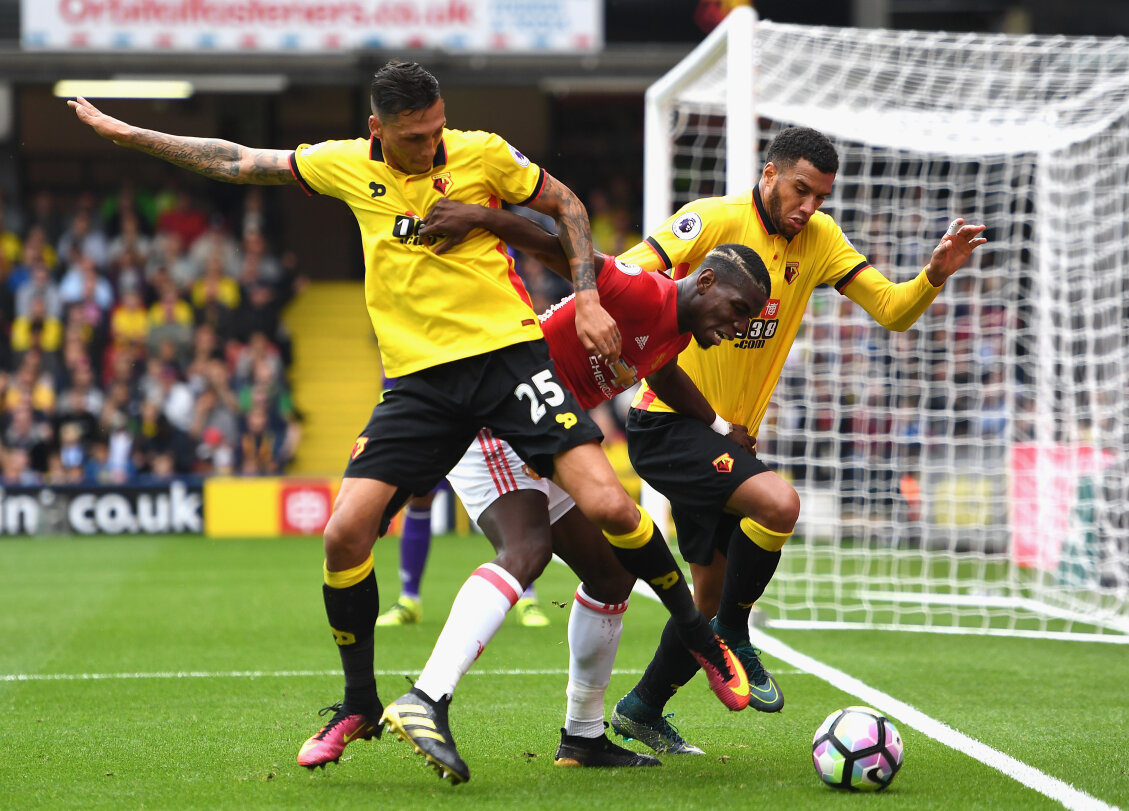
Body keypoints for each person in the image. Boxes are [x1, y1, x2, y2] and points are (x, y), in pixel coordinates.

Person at [69, 60, 745, 783]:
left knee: (612, 503)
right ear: (376, 131)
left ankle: (698, 636)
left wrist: (583, 296)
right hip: (420, 382)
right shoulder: (342, 167)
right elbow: (236, 160)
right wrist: (127, 132)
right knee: (342, 532)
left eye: (435, 129)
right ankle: (360, 702)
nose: (431, 147)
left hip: (507, 357)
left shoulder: (481, 152)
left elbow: (568, 208)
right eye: (414, 138)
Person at [608, 126, 987, 755]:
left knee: (707, 592)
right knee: (780, 505)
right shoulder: (710, 219)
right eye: (800, 190)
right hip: (667, 420)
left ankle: (643, 706)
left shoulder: (821, 239)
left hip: (732, 439)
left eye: (820, 195)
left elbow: (891, 310)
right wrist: (635, 338)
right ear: (769, 176)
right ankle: (736, 629)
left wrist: (933, 274)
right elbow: (624, 274)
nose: (808, 205)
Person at [376, 200, 769, 780]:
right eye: (737, 310)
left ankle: (583, 737)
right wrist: (480, 221)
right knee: (527, 551)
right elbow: (553, 246)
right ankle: (428, 697)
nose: (739, 327)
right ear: (703, 279)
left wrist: (716, 429)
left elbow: (659, 371)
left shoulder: (675, 332)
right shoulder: (638, 291)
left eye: (747, 319)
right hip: (499, 422)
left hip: (549, 440)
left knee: (612, 574)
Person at [376, 484, 551, 628]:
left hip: (479, 443)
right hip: (439, 441)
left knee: (508, 495)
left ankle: (526, 599)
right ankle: (409, 599)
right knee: (420, 494)